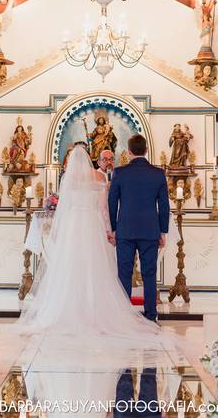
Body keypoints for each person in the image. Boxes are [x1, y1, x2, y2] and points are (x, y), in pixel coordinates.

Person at [17, 144, 160, 336]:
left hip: (74, 225)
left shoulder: (68, 178)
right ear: (90, 159)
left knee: (72, 266)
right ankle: (97, 311)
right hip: (93, 223)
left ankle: (68, 310)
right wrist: (110, 229)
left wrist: (61, 232)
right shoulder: (99, 177)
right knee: (97, 265)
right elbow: (104, 207)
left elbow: (64, 208)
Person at [108, 135, 170, 322]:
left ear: (129, 151)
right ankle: (151, 315)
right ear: (146, 150)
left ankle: (124, 317)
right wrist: (163, 231)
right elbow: (164, 206)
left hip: (125, 230)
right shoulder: (158, 174)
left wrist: (113, 228)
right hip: (150, 230)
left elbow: (112, 203)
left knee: (124, 273)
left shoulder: (119, 172)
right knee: (149, 274)